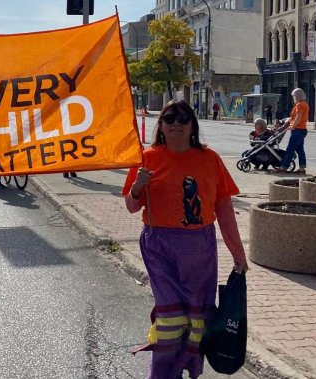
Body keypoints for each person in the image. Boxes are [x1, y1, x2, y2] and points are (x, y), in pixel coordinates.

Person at [122, 99, 248, 379]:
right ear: (161, 126)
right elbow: (132, 207)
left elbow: (224, 210)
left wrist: (238, 254)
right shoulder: (147, 157)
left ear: (193, 125)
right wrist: (137, 186)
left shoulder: (210, 159)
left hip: (200, 248)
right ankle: (163, 374)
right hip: (159, 247)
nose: (176, 123)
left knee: (197, 319)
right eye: (169, 118)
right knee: (170, 319)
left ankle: (189, 369)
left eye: (183, 118)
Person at [274, 88, 309, 174]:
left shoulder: (299, 105)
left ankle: (283, 167)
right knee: (300, 150)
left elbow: (298, 116)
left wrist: (293, 126)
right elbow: (295, 117)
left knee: (290, 149)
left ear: (297, 96)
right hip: (303, 129)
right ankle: (302, 168)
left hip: (297, 130)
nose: (293, 98)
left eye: (293, 96)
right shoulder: (305, 104)